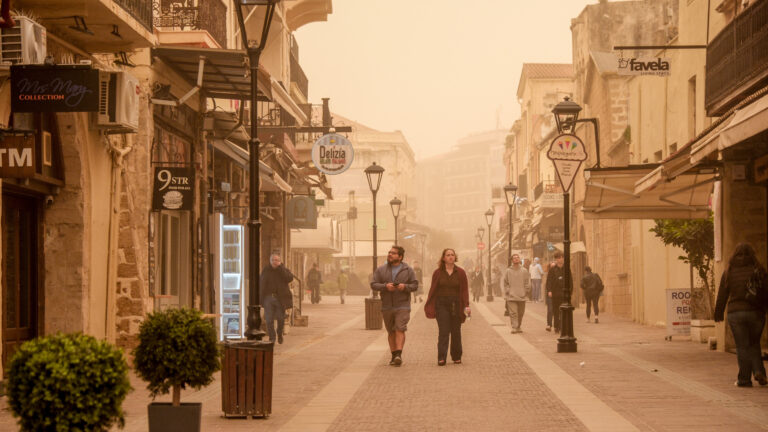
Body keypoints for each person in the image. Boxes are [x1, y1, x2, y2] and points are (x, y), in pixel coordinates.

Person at [714, 243, 768, 387]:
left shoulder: (729, 271)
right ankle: (759, 372)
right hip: (756, 313)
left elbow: (722, 295)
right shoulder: (759, 270)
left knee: (742, 346)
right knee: (754, 343)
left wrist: (718, 313)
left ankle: (744, 379)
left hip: (735, 313)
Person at [371, 245, 419, 366]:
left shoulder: (408, 270)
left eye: (393, 253)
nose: (390, 254)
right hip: (387, 305)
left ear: (400, 256)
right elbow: (373, 284)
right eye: (389, 252)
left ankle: (398, 355)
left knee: (399, 328)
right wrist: (385, 286)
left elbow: (415, 285)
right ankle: (394, 356)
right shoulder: (381, 270)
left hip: (402, 305)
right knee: (391, 331)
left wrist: (405, 287)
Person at [425, 249, 470, 366]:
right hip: (441, 304)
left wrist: (466, 305)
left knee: (456, 331)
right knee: (444, 331)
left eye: (452, 255)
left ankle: (456, 356)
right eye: (448, 255)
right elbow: (433, 290)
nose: (450, 257)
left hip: (456, 304)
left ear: (455, 257)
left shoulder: (461, 272)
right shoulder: (437, 273)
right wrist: (430, 305)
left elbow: (464, 290)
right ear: (443, 258)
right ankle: (441, 357)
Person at [259, 253, 295, 344]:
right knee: (269, 319)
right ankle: (272, 338)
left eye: (276, 260)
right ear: (270, 261)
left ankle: (279, 333)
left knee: (280, 318)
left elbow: (289, 278)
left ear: (280, 261)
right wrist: (261, 299)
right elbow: (261, 284)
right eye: (273, 260)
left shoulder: (283, 269)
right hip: (268, 298)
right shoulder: (266, 270)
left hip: (280, 299)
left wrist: (281, 268)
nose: (274, 262)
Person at [503, 253, 531, 333]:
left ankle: (518, 326)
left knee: (520, 313)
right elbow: (505, 282)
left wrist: (526, 291)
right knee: (513, 313)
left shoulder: (524, 270)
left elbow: (527, 282)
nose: (516, 259)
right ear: (512, 260)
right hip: (511, 296)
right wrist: (508, 290)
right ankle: (514, 327)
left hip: (522, 296)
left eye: (517, 257)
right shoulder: (508, 271)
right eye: (514, 258)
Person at [546, 251, 570, 333]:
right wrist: (549, 290)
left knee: (563, 311)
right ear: (556, 259)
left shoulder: (566, 269)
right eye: (559, 258)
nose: (560, 259)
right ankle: (556, 326)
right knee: (556, 310)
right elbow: (549, 281)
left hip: (564, 293)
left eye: (562, 257)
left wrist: (570, 291)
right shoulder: (552, 270)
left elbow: (570, 281)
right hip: (555, 293)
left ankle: (562, 326)